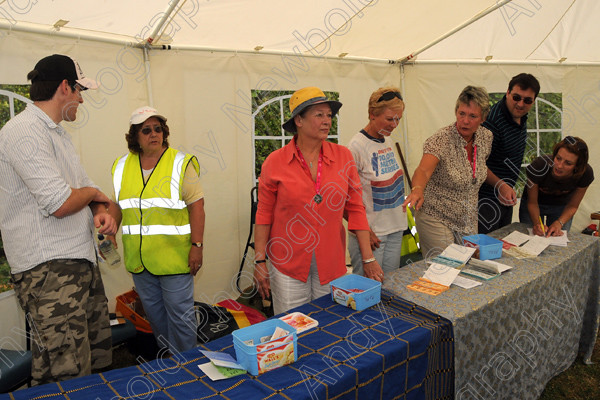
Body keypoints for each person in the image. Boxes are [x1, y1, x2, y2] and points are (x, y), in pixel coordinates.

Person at [0, 54, 121, 385]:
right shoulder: (24, 132)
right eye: (80, 90)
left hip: (76, 263)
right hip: (49, 271)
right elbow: (61, 202)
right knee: (64, 371)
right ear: (64, 87)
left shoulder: (58, 136)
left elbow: (92, 196)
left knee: (93, 360)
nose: (81, 99)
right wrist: (92, 194)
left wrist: (101, 213)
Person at [253, 87, 382, 315]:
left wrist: (368, 258)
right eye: (319, 115)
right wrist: (260, 261)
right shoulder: (275, 161)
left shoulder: (343, 157)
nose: (326, 121)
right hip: (287, 264)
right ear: (299, 121)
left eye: (329, 115)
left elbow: (356, 209)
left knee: (329, 324)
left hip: (331, 263)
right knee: (293, 325)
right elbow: (263, 214)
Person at [112, 106, 205, 354]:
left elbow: (197, 207)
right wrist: (110, 231)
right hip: (140, 262)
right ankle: (170, 367)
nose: (154, 134)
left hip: (175, 260)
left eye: (158, 129)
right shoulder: (121, 166)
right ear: (135, 136)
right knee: (156, 321)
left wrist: (197, 247)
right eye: (146, 130)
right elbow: (119, 206)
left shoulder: (180, 163)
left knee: (181, 320)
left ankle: (189, 372)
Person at [402, 86, 493, 258]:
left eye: (472, 116)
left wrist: (501, 185)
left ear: (483, 118)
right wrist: (417, 189)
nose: (465, 121)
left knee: (470, 266)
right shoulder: (440, 139)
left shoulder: (486, 137)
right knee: (446, 268)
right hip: (436, 217)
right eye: (461, 113)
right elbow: (423, 170)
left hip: (468, 218)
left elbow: (478, 168)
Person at [347, 87, 407, 276]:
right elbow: (345, 198)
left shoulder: (386, 139)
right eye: (390, 119)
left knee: (390, 286)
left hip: (395, 227)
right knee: (368, 289)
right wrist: (364, 231)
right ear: (372, 114)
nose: (395, 125)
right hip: (373, 234)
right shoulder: (356, 147)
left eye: (398, 119)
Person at [478, 73, 541, 234]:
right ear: (507, 93)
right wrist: (501, 186)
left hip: (504, 196)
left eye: (527, 100)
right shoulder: (492, 121)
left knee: (503, 247)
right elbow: (478, 163)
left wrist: (505, 188)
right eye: (516, 97)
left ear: (533, 101)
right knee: (485, 250)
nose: (520, 104)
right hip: (485, 201)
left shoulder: (521, 117)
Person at [519, 136, 594, 236]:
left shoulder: (585, 174)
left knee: (557, 240)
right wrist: (537, 224)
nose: (559, 166)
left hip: (562, 207)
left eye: (568, 163)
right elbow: (532, 203)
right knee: (531, 239)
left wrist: (559, 222)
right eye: (558, 158)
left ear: (577, 166)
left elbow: (573, 206)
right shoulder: (538, 166)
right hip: (533, 204)